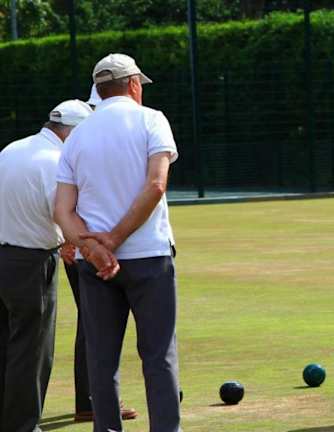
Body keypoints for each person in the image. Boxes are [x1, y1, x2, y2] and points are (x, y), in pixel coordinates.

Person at [54, 53, 181, 432]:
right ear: (134, 84)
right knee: (158, 357)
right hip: (149, 257)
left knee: (101, 360)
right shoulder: (152, 120)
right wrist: (114, 238)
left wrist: (94, 249)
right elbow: (156, 184)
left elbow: (62, 210)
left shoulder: (77, 136)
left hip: (95, 265)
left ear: (99, 90)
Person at [0, 99, 92, 432]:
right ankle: (23, 426)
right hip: (31, 262)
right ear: (74, 133)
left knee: (6, 345)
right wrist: (82, 244)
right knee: (32, 349)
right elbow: (61, 212)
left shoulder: (12, 149)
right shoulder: (57, 161)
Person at [62, 83, 138, 424]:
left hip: (82, 242)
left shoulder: (87, 127)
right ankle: (93, 401)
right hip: (87, 244)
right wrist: (70, 241)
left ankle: (91, 400)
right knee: (94, 325)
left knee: (91, 323)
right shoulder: (90, 129)